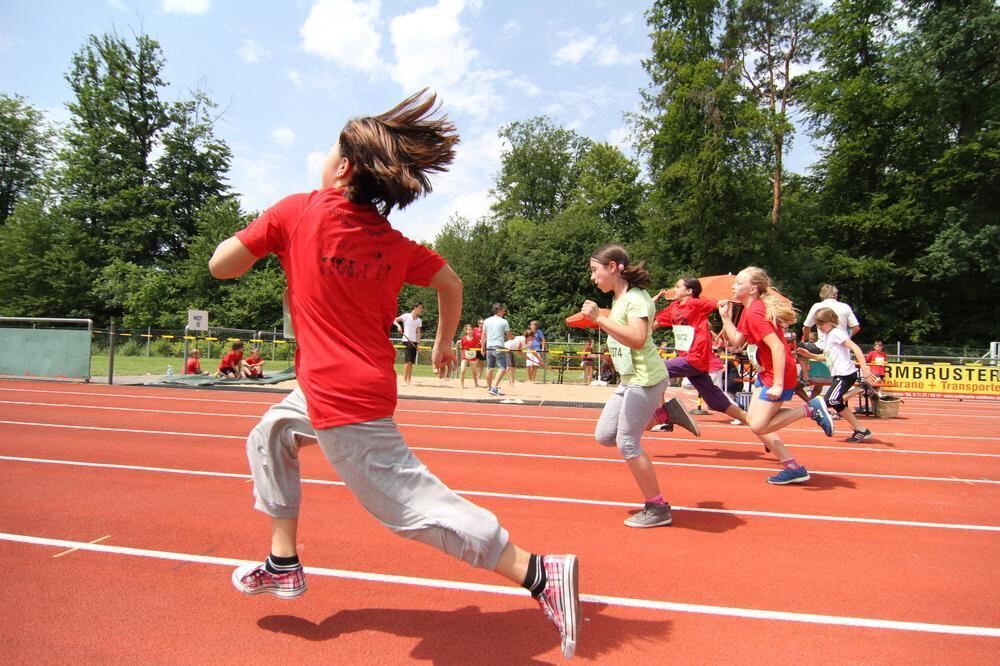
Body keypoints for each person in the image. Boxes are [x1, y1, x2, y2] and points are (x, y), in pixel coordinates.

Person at [208, 90, 579, 658]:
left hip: (342, 403)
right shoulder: (391, 242)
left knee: (410, 510)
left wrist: (262, 238)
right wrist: (445, 342)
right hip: (332, 387)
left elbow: (221, 267)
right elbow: (451, 283)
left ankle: (537, 572)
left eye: (331, 149)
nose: (323, 156)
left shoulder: (296, 210)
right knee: (271, 434)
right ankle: (283, 563)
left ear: (346, 167)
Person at [582, 244, 673, 528]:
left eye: (595, 270)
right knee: (605, 436)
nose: (593, 278)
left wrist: (600, 319)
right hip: (629, 381)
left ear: (612, 267)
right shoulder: (621, 299)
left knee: (627, 442)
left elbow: (636, 338)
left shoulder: (635, 299)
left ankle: (657, 507)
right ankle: (661, 415)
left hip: (645, 380)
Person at [717, 267, 835, 485]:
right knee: (755, 421)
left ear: (752, 289)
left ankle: (810, 408)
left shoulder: (755, 313)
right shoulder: (749, 309)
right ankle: (793, 468)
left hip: (778, 373)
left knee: (758, 426)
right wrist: (725, 318)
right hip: (767, 372)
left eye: (739, 282)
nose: (733, 286)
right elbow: (736, 341)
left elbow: (778, 348)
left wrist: (778, 384)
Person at [650, 277, 756, 436]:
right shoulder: (674, 307)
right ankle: (759, 426)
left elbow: (721, 302)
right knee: (716, 402)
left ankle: (666, 416)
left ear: (689, 291)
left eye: (678, 286)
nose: (675, 288)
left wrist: (725, 311)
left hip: (695, 357)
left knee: (655, 371)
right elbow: (655, 324)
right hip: (690, 362)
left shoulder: (696, 303)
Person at [796, 308, 881, 442]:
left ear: (831, 321)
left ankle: (862, 392)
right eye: (818, 324)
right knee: (835, 401)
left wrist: (864, 367)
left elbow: (855, 348)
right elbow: (827, 357)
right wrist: (811, 355)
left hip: (845, 373)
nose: (819, 327)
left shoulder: (836, 333)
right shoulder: (828, 336)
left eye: (822, 324)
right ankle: (861, 429)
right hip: (839, 374)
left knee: (831, 400)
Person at [801, 284, 860, 385]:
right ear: (836, 295)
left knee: (800, 348)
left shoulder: (818, 306)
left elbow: (806, 327)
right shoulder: (845, 307)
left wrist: (805, 340)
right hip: (841, 345)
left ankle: (805, 376)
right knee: (836, 367)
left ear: (822, 295)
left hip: (823, 344)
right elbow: (856, 327)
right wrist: (847, 338)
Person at [482, 303, 512, 396]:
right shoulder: (504, 321)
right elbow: (509, 336)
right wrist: (513, 337)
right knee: (502, 368)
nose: (504, 311)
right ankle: (494, 388)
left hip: (489, 347)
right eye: (503, 309)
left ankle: (489, 388)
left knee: (489, 368)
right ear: (498, 310)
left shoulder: (487, 320)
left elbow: (483, 335)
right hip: (499, 347)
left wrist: (482, 347)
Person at [394, 302, 424, 384]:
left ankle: (409, 380)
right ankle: (404, 380)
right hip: (406, 340)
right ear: (415, 307)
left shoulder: (419, 320)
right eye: (420, 308)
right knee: (408, 361)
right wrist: (399, 326)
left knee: (411, 362)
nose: (421, 310)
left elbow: (418, 333)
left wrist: (419, 344)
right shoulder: (406, 316)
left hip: (414, 341)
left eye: (422, 309)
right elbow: (394, 320)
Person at [458, 323, 480, 388]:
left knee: (474, 371)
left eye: (471, 330)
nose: (470, 331)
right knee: (463, 370)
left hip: (472, 356)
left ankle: (476, 384)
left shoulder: (476, 339)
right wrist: (463, 355)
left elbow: (478, 346)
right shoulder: (463, 338)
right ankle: (461, 385)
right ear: (466, 331)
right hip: (465, 356)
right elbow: (462, 347)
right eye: (469, 330)